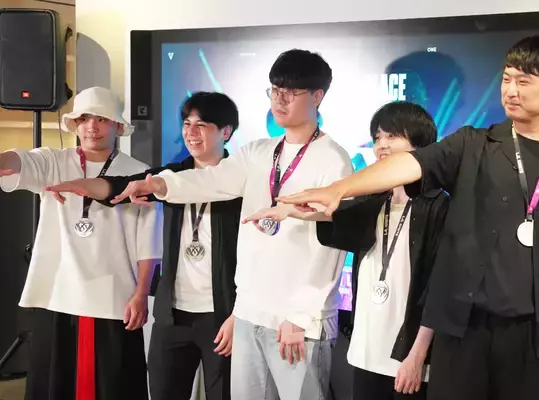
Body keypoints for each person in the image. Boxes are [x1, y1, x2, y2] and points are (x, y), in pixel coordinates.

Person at [275, 35, 539, 400]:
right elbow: (409, 164)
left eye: (523, 81)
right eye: (507, 78)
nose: (511, 90)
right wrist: (340, 189)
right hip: (463, 332)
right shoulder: (473, 144)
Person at [47, 49, 354, 400]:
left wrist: (301, 315)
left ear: (317, 96)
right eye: (275, 90)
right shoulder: (259, 152)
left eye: (291, 92)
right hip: (251, 311)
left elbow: (332, 247)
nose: (279, 100)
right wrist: (157, 184)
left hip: (296, 322)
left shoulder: (333, 160)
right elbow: (210, 180)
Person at [243, 101, 449, 399]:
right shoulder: (374, 199)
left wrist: (418, 356)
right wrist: (289, 210)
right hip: (366, 351)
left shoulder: (439, 206)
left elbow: (439, 290)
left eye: (392, 136)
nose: (382, 145)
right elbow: (333, 214)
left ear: (420, 143)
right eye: (377, 137)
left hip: (409, 356)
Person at [48, 92, 242, 399]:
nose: (191, 132)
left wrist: (238, 315)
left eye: (202, 125)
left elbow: (257, 257)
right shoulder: (172, 175)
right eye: (186, 124)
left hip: (223, 314)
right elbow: (120, 185)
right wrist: (78, 184)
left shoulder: (242, 181)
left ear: (226, 132)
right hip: (172, 316)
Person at [0, 86, 163, 400]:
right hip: (56, 294)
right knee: (53, 384)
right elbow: (19, 161)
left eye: (101, 119)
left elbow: (149, 242)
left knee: (111, 386)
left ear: (117, 125)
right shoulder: (53, 161)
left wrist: (142, 293)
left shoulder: (139, 173)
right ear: (75, 124)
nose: (92, 126)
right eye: (85, 118)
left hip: (112, 297)